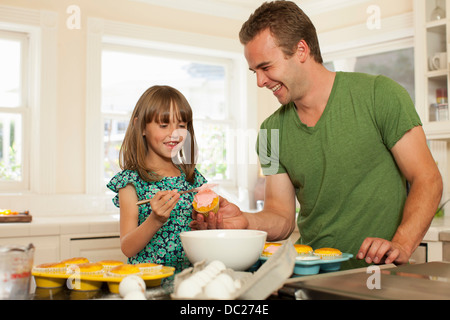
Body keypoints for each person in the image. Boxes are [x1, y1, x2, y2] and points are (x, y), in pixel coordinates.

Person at [191, 1, 443, 269]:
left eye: (266, 67)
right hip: (314, 277)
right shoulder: (271, 131)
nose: (260, 81)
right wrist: (245, 220)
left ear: (301, 50)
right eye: (255, 71)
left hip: (381, 276)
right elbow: (281, 217)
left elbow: (427, 179)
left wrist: (402, 243)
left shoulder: (379, 95)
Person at [107, 85, 207, 272]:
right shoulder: (130, 182)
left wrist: (205, 227)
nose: (174, 133)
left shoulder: (193, 179)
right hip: (147, 282)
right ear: (141, 127)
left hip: (188, 278)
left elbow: (204, 234)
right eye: (163, 125)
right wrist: (156, 220)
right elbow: (127, 248)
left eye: (182, 125)